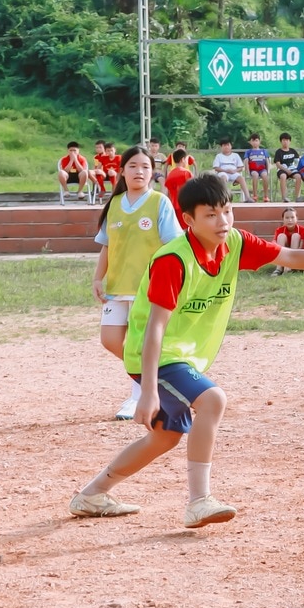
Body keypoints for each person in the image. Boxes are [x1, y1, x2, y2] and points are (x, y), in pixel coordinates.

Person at [67, 173, 304, 527]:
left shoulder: (234, 242)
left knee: (166, 437)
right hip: (154, 354)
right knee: (213, 399)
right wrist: (148, 390)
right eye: (211, 215)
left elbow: (289, 256)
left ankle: (92, 494)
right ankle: (199, 501)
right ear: (188, 220)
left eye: (227, 211)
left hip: (179, 355)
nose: (223, 221)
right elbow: (155, 327)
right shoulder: (174, 259)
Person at [91, 144, 185, 421]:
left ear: (153, 173)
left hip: (147, 287)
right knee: (110, 340)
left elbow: (174, 244)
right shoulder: (115, 204)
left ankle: (137, 397)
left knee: (138, 343)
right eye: (133, 166)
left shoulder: (159, 202)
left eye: (145, 167)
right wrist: (98, 278)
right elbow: (106, 246)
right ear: (122, 171)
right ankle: (160, 377)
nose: (139, 171)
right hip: (117, 287)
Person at [163, 146, 194, 213]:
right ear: (183, 159)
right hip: (185, 206)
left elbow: (169, 193)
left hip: (173, 207)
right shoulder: (187, 173)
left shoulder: (170, 175)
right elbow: (192, 190)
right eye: (186, 159)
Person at [243, 134, 272, 204]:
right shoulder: (248, 152)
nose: (255, 142)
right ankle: (255, 195)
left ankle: (265, 196)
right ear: (250, 142)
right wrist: (248, 171)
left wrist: (268, 170)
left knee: (265, 176)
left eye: (256, 140)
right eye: (253, 141)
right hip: (253, 169)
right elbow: (246, 161)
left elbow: (267, 161)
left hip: (262, 169)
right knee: (255, 175)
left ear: (259, 141)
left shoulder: (264, 151)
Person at [273, 133, 303, 200]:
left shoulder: (293, 151)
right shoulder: (279, 152)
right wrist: (286, 170)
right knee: (283, 176)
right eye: (284, 140)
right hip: (282, 169)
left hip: (293, 169)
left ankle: (297, 197)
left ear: (290, 141)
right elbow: (278, 164)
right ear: (281, 141)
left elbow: (297, 161)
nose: (285, 142)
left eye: (287, 140)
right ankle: (284, 197)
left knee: (298, 177)